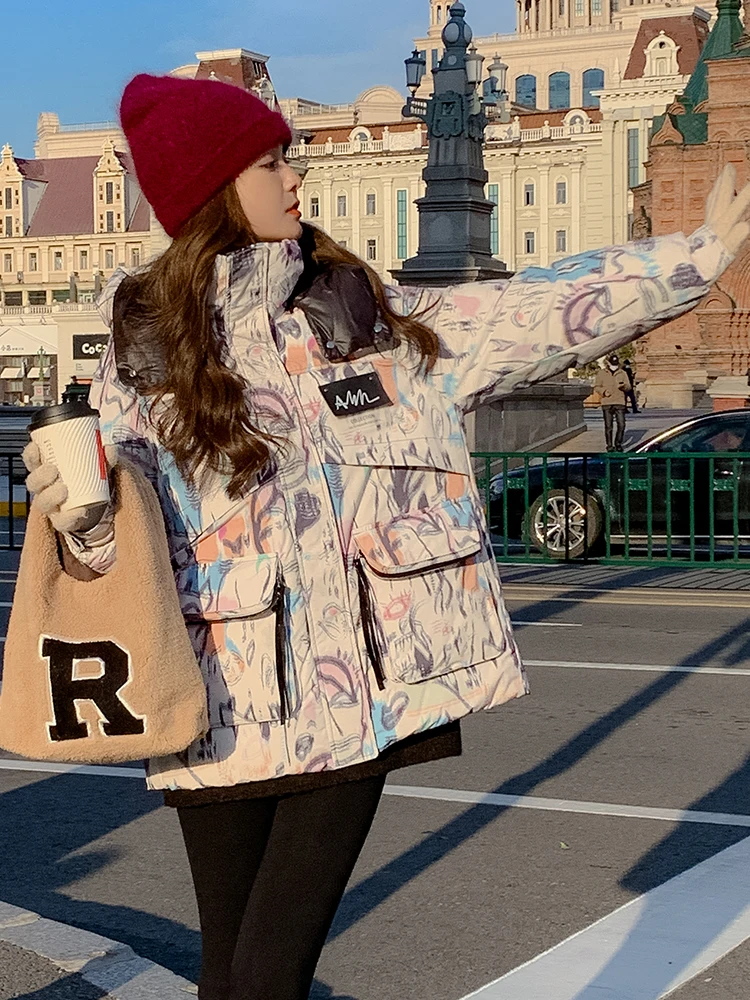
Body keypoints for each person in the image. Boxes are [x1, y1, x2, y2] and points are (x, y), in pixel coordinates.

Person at [21, 73, 750, 1000]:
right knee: (234, 972)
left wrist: (684, 263)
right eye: (269, 162)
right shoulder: (147, 348)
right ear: (211, 190)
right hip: (213, 706)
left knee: (267, 975)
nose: (295, 180)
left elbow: (515, 317)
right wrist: (81, 517)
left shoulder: (352, 311)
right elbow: (114, 548)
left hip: (354, 696)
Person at [595, 354, 630, 451]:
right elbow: (597, 386)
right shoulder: (601, 373)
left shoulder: (622, 373)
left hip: (619, 401)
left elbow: (629, 386)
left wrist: (624, 387)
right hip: (607, 401)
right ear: (608, 363)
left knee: (622, 424)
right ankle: (609, 445)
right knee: (608, 426)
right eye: (613, 363)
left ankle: (618, 443)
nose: (614, 365)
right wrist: (604, 392)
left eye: (616, 363)